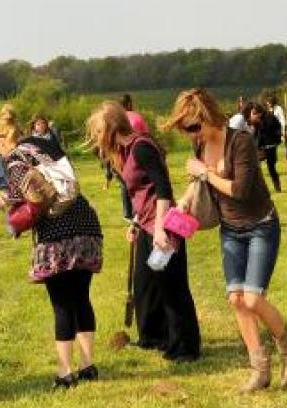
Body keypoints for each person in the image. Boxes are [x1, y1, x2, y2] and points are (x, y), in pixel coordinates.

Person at [163, 88, 287, 392]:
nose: (190, 134)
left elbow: (239, 190)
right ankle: (259, 369)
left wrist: (204, 173)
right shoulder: (200, 146)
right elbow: (198, 184)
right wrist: (184, 202)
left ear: (208, 117)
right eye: (185, 129)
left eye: (192, 127)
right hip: (231, 229)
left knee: (253, 298)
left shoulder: (241, 142)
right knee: (236, 299)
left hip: (261, 226)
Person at [0, 104, 103, 388]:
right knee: (81, 297)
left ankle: (65, 373)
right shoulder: (44, 143)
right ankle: (88, 366)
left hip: (57, 232)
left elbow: (26, 203)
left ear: (3, 140)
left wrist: (1, 201)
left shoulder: (15, 160)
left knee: (62, 304)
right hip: (85, 222)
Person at [86, 101, 201, 362]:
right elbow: (141, 193)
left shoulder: (142, 147)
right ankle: (155, 337)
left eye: (98, 131)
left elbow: (163, 190)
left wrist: (160, 229)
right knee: (146, 284)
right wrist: (136, 223)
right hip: (147, 224)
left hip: (163, 226)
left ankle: (186, 346)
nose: (96, 138)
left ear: (112, 127)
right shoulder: (126, 152)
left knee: (172, 287)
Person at [248, 103, 282, 192]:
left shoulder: (270, 117)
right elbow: (255, 132)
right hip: (260, 147)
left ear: (259, 112)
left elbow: (276, 128)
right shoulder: (256, 119)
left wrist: (276, 140)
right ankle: (259, 188)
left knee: (271, 168)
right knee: (256, 166)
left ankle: (277, 187)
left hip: (270, 146)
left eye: (255, 112)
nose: (254, 114)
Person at [265, 93, 287, 161]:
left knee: (286, 141)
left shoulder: (278, 108)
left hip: (280, 127)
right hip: (273, 129)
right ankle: (272, 157)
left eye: (268, 103)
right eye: (267, 103)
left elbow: (282, 119)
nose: (267, 104)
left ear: (272, 102)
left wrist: (283, 130)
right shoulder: (269, 110)